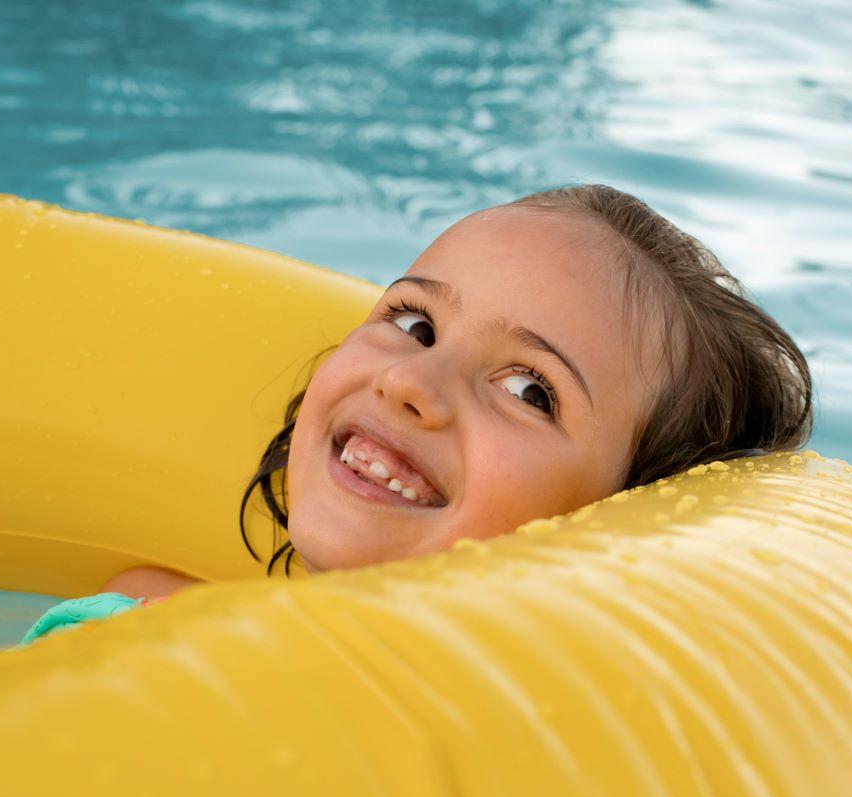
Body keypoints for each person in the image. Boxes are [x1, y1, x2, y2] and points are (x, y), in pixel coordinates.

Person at [99, 184, 813, 602]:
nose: (410, 383)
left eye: (532, 391)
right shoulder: (140, 614)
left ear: (624, 523)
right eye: (415, 323)